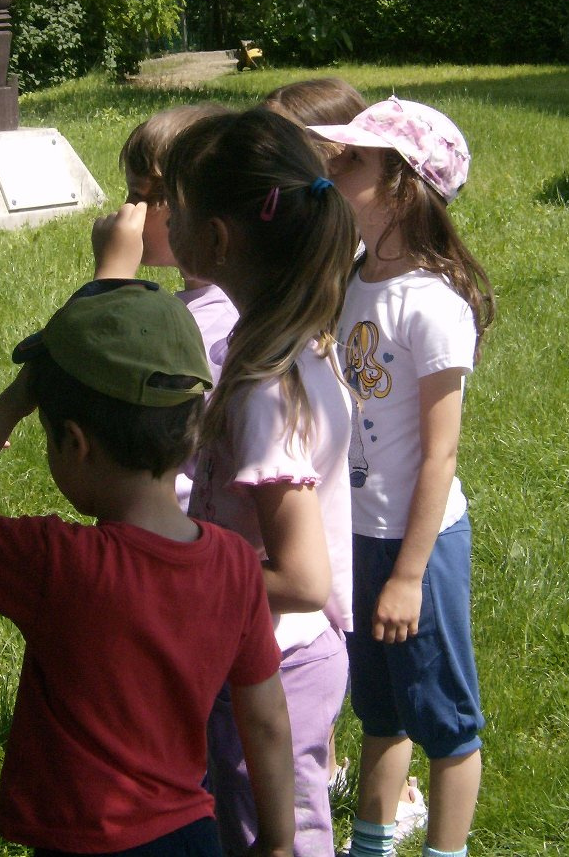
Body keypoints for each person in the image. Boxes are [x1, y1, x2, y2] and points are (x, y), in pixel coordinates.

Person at [0, 279, 296, 857]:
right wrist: (280, 843)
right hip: (192, 836)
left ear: (75, 444)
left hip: (83, 844)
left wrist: (14, 401)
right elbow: (266, 720)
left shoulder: (59, 564)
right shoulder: (236, 566)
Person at [160, 108, 358, 857]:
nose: (164, 222)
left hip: (271, 662)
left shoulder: (262, 387)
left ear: (215, 239)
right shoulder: (294, 342)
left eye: (175, 208)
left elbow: (301, 577)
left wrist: (181, 558)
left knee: (272, 839)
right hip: (269, 654)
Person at [310, 98, 494, 857]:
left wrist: (410, 575)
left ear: (401, 186)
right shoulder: (351, 279)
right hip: (354, 535)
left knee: (446, 718)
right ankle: (371, 845)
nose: (334, 165)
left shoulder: (432, 306)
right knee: (378, 710)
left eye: (352, 159)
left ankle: (446, 852)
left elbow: (438, 455)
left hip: (418, 546)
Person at [90, 103, 235, 508]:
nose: (126, 210)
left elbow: (101, 398)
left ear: (186, 208)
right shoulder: (206, 310)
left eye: (139, 196)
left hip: (175, 527)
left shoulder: (204, 327)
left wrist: (111, 278)